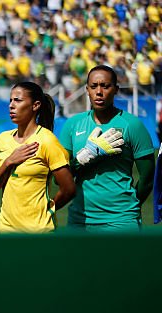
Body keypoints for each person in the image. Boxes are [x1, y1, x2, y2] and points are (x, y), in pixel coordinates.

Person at [57, 65, 155, 233]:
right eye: (94, 86)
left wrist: (127, 208)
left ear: (116, 89)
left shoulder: (133, 125)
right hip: (80, 220)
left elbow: (148, 178)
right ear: (87, 90)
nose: (99, 92)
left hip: (122, 221)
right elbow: (58, 179)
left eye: (105, 86)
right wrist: (84, 157)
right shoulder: (72, 125)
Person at [0, 82, 75, 234]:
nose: (11, 105)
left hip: (39, 232)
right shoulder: (0, 140)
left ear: (35, 105)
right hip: (6, 231)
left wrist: (47, 211)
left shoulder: (47, 141)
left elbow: (69, 189)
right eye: (10, 100)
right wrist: (9, 162)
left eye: (17, 100)